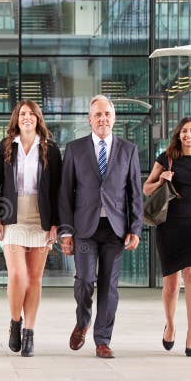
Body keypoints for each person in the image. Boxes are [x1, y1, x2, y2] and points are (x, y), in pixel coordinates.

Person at [58, 95, 143, 359]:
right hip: (84, 228)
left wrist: (135, 228)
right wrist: (66, 231)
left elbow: (135, 193)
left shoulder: (128, 150)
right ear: (89, 120)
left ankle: (103, 340)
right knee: (85, 280)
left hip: (116, 228)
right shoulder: (74, 149)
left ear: (113, 118)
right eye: (98, 115)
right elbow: (65, 194)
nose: (103, 119)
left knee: (109, 286)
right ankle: (83, 320)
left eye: (107, 114)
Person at [0, 100, 62, 357]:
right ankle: (15, 321)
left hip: (41, 217)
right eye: (22, 114)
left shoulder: (50, 149)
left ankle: (29, 332)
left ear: (38, 118)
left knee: (34, 279)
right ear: (16, 119)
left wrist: (56, 224)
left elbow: (58, 189)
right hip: (13, 216)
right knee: (18, 275)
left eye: (31, 114)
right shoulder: (5, 146)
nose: (27, 118)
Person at [142, 117, 191, 357]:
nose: (188, 135)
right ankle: (171, 324)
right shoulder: (166, 158)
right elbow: (146, 188)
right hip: (169, 224)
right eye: (184, 131)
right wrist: (162, 178)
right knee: (172, 284)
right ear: (178, 135)